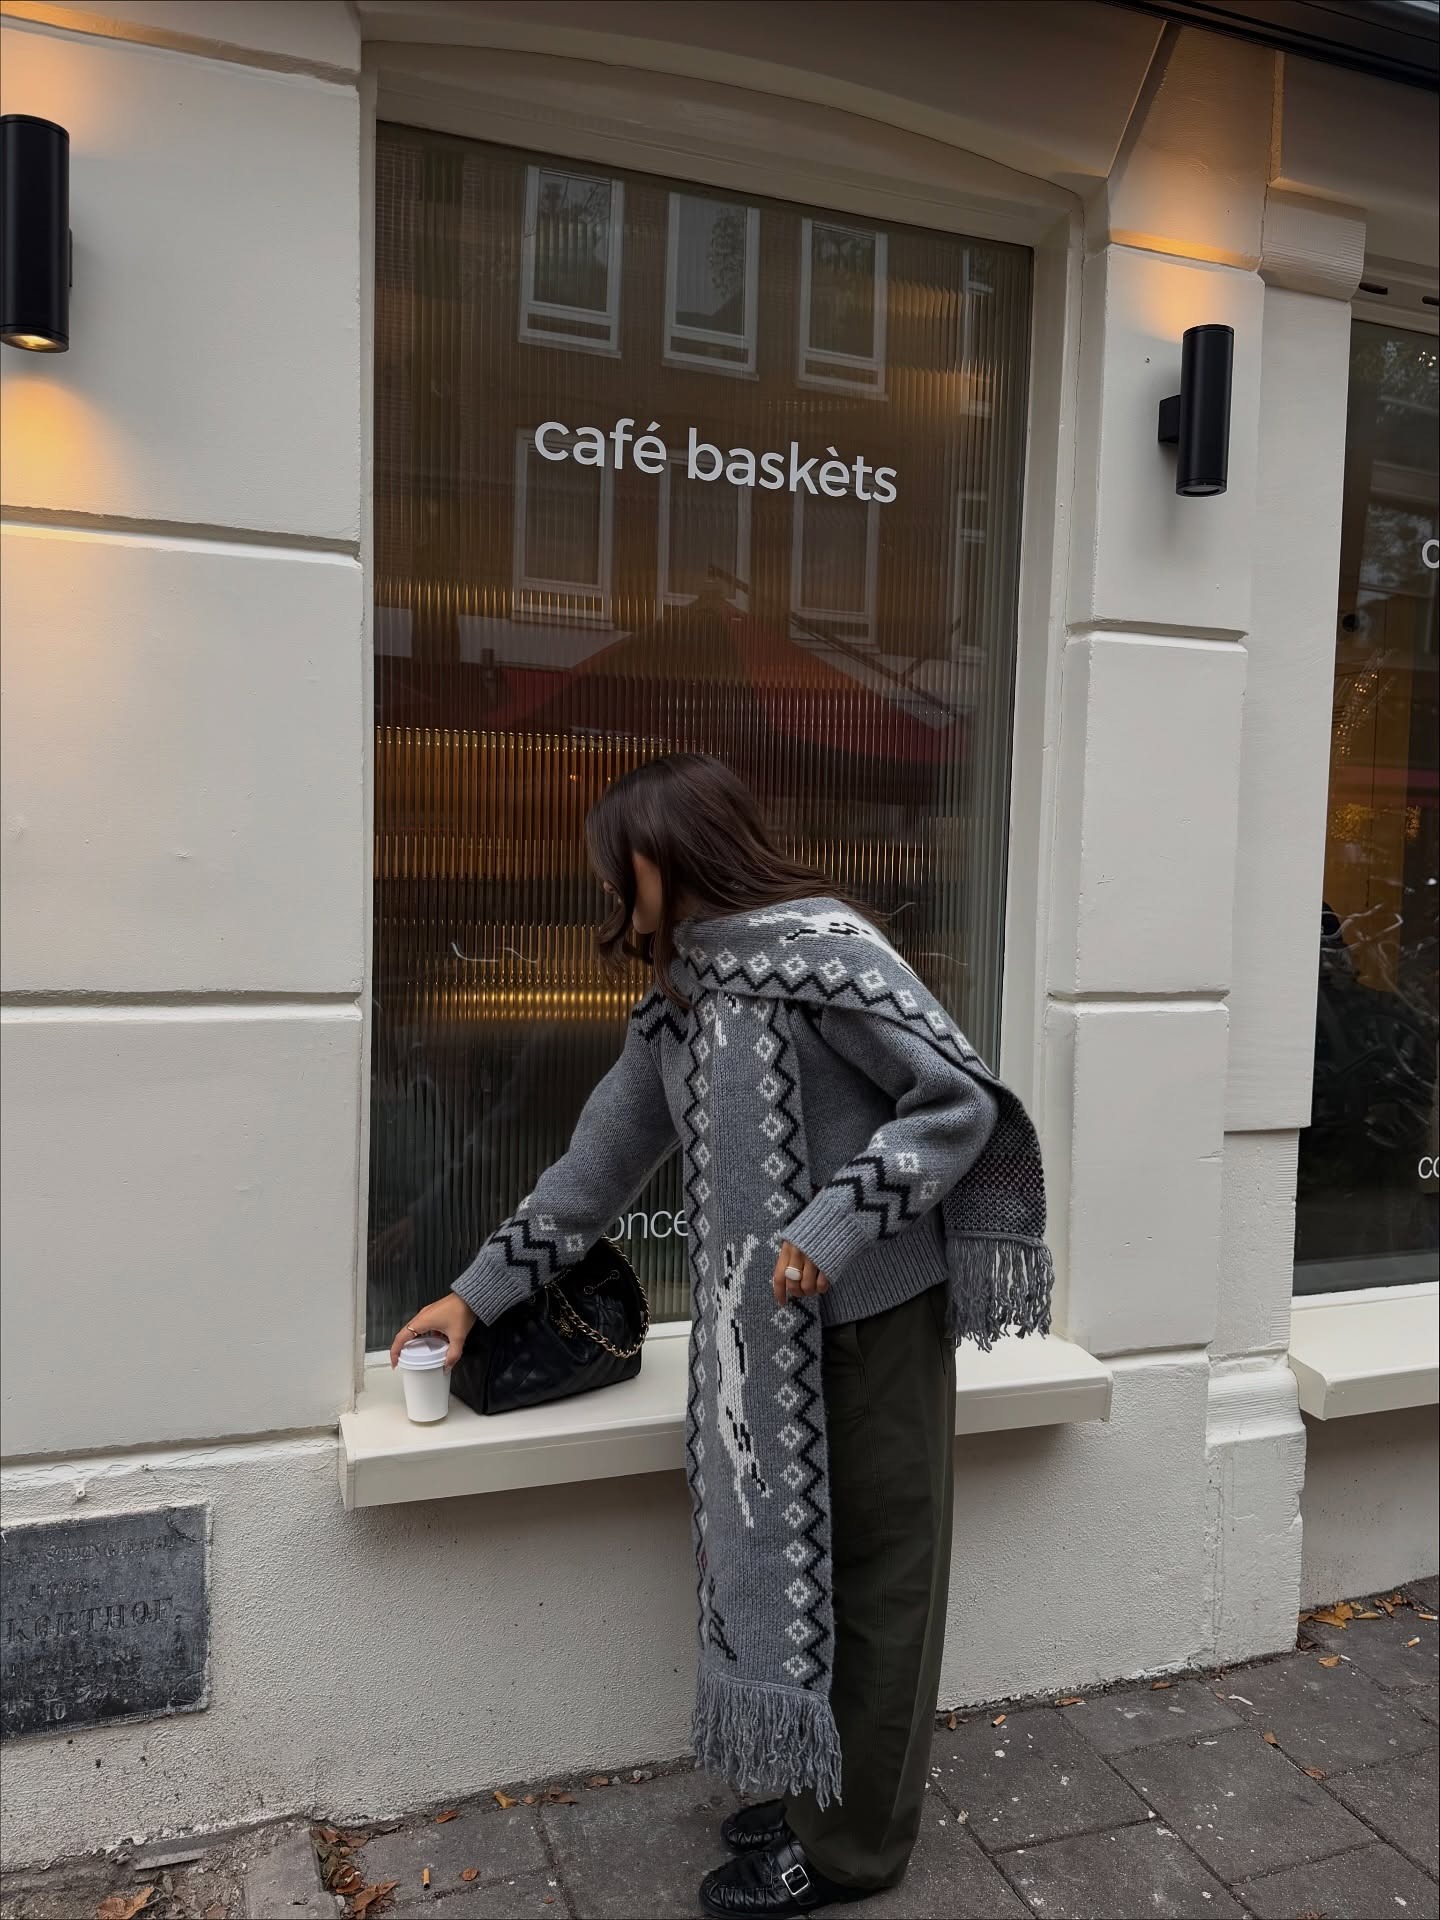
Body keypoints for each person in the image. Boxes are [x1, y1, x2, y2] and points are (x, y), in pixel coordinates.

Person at [392, 752, 1054, 1917]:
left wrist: (839, 1222)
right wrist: (471, 1295)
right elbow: (591, 1174)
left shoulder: (827, 955)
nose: (613, 894)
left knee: (885, 1582)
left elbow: (958, 1102)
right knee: (792, 1568)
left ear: (666, 853)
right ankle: (812, 1790)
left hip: (879, 1321)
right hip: (764, 1352)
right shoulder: (683, 1006)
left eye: (619, 870)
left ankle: (851, 1850)